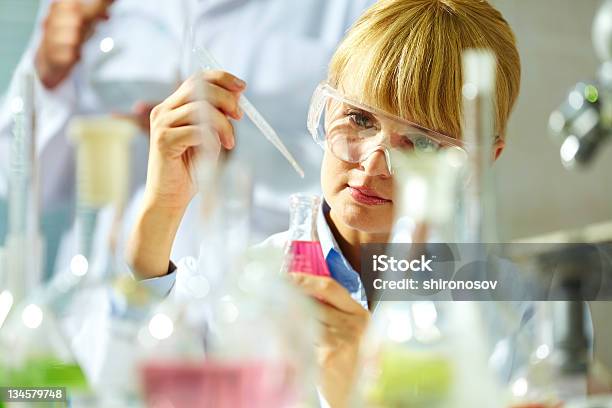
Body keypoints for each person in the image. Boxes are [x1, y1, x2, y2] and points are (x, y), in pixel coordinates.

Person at [127, 0, 521, 406]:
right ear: (327, 107)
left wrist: (367, 393)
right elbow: (133, 380)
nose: (371, 166)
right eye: (360, 119)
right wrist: (163, 206)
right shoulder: (247, 286)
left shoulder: (515, 312)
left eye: (420, 142)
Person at [0, 0, 375, 276]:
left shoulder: (357, 9)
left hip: (255, 287)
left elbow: (372, 181)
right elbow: (16, 184)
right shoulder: (80, 12)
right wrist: (47, 77)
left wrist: (230, 153)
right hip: (106, 294)